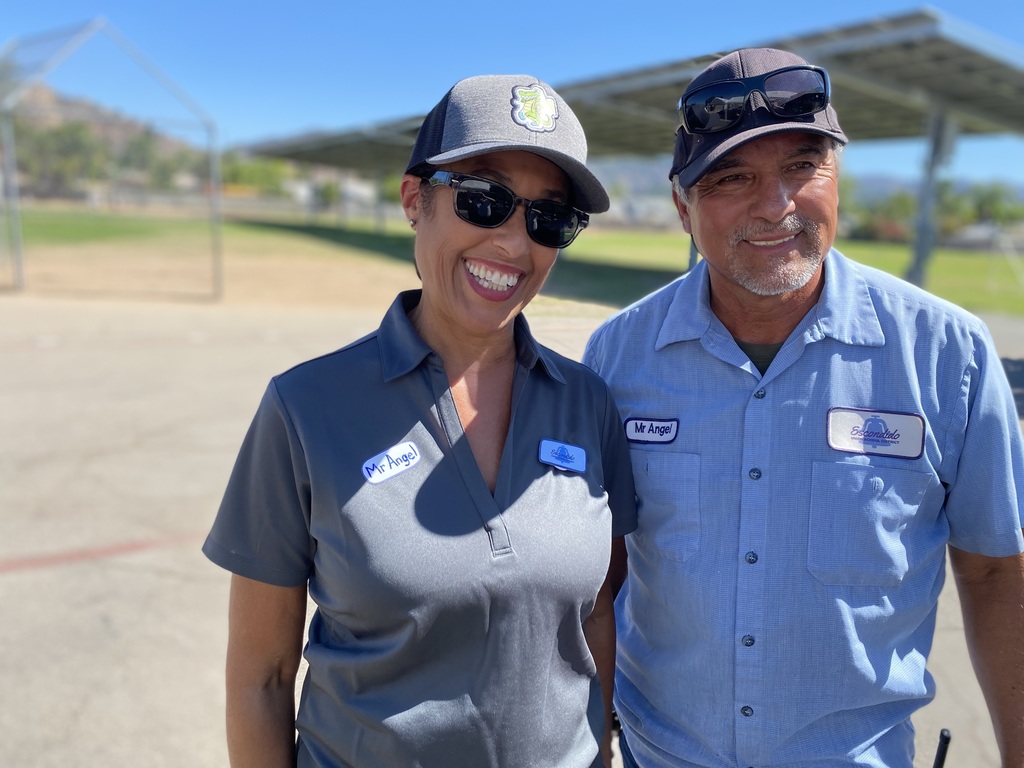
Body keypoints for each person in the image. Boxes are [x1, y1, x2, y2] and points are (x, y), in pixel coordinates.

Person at [583, 48, 1024, 768]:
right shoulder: (618, 358)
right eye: (732, 178)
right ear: (680, 205)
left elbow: (997, 575)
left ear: (836, 178)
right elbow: (601, 577)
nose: (775, 204)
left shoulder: (951, 356)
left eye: (802, 167)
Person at [203, 74, 636, 767]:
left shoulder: (588, 402)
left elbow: (595, 614)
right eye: (484, 200)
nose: (515, 245)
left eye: (548, 219)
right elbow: (263, 677)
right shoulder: (306, 408)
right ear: (415, 200)